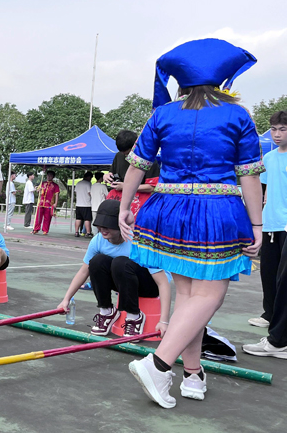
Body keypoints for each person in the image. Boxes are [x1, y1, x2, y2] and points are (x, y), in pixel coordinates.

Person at [121, 38, 262, 408]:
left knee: (187, 297)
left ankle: (193, 374)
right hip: (216, 213)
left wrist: (123, 206)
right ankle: (158, 364)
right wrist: (258, 225)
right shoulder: (237, 114)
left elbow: (138, 163)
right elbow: (248, 174)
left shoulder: (164, 113)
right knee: (208, 297)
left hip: (167, 210)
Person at [57, 199, 171, 336]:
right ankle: (107, 312)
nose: (103, 230)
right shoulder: (98, 240)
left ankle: (135, 317)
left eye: (108, 226)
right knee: (97, 261)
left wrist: (164, 321)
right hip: (125, 282)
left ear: (121, 225)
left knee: (121, 262)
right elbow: (83, 271)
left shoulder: (139, 241)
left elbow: (163, 283)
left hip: (150, 285)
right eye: (100, 225)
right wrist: (66, 299)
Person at [243, 110, 287, 358]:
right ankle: (270, 315)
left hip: (286, 225)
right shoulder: (268, 158)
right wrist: (257, 221)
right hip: (271, 224)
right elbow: (263, 191)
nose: (277, 133)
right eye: (274, 129)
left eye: (282, 129)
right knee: (269, 274)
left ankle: (278, 339)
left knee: (284, 280)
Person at [104, 130, 160, 216]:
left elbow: (152, 187)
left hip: (139, 206)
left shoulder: (148, 159)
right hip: (117, 203)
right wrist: (107, 176)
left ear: (135, 146)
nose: (125, 156)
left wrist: (126, 187)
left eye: (127, 153)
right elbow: (112, 172)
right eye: (123, 153)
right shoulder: (119, 156)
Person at [32, 170, 60, 235]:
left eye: (50, 175)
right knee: (38, 217)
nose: (49, 177)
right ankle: (36, 229)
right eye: (48, 175)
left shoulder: (55, 185)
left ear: (53, 177)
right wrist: (38, 189)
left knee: (47, 218)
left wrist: (55, 203)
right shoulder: (43, 183)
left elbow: (57, 194)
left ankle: (45, 230)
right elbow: (38, 190)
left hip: (49, 204)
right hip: (41, 203)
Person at [74, 171, 93, 237]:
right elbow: (90, 193)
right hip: (86, 204)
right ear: (89, 177)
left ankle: (76, 232)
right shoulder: (88, 184)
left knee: (78, 218)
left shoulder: (78, 183)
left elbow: (76, 192)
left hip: (78, 204)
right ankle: (88, 232)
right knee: (87, 219)